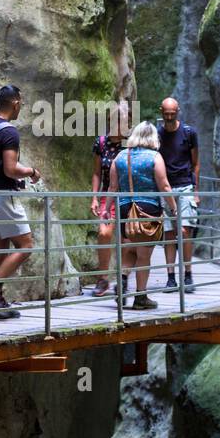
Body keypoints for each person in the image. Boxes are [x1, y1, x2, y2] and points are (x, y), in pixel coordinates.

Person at [0, 85, 40, 320]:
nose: (21, 106)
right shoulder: (9, 132)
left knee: (0, 250)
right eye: (21, 102)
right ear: (15, 103)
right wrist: (31, 171)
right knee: (26, 245)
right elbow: (11, 169)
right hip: (3, 195)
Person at [108, 120, 176, 310]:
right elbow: (164, 186)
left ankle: (122, 280)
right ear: (153, 137)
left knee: (129, 248)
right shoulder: (154, 156)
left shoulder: (120, 156)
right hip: (148, 209)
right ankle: (141, 297)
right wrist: (174, 208)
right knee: (144, 255)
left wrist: (106, 209)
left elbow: (112, 187)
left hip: (124, 209)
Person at [158, 97, 200, 292]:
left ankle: (188, 273)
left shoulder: (189, 133)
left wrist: (196, 191)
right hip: (165, 188)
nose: (168, 117)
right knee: (168, 233)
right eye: (166, 113)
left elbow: (196, 163)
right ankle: (170, 277)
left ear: (178, 111)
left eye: (172, 114)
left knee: (185, 230)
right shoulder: (157, 135)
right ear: (161, 112)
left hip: (185, 187)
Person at [88, 114, 128, 298]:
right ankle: (102, 279)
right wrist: (95, 197)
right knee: (104, 234)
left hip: (129, 196)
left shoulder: (131, 143)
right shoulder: (101, 142)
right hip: (107, 195)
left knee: (127, 240)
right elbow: (96, 172)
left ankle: (123, 280)